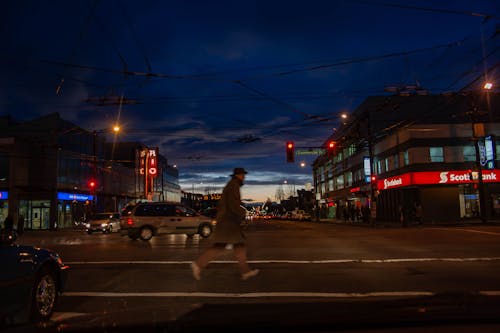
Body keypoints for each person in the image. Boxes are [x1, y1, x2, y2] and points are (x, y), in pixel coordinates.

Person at [191, 168, 259, 281]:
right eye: (243, 175)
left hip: (227, 222)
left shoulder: (232, 185)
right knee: (230, 245)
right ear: (238, 175)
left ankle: (245, 271)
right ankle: (198, 264)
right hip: (228, 223)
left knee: (234, 245)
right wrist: (243, 213)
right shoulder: (233, 186)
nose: (244, 177)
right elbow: (233, 205)